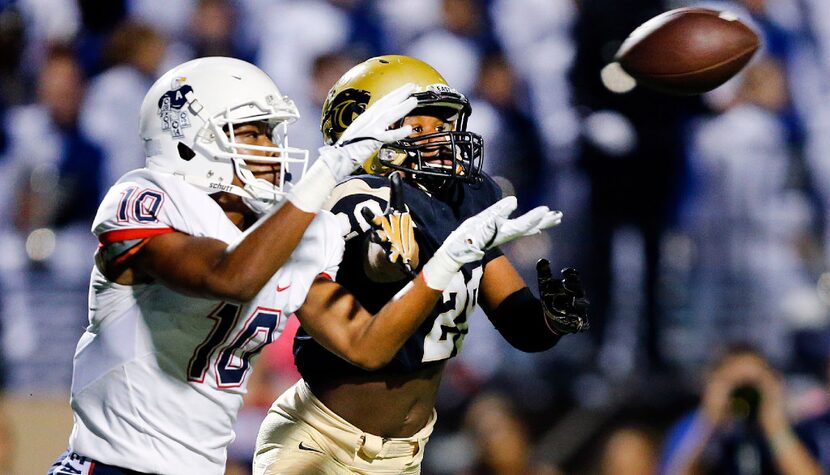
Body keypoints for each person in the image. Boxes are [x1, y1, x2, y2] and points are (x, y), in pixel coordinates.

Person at [48, 56, 558, 475]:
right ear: (186, 140)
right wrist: (327, 173)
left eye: (272, 134)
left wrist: (448, 260)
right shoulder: (148, 196)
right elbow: (227, 275)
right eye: (250, 133)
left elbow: (368, 343)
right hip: (110, 468)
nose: (271, 150)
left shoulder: (279, 231)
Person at [254, 55, 589, 474]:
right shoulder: (358, 195)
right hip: (323, 441)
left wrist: (549, 319)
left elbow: (516, 320)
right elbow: (379, 262)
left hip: (405, 450)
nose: (439, 138)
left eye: (442, 125)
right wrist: (398, 262)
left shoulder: (464, 199)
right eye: (419, 126)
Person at [658, 344, 823, 475]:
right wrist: (708, 423)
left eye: (753, 383)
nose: (744, 394)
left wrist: (774, 425)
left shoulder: (798, 431)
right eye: (735, 383)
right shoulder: (692, 428)